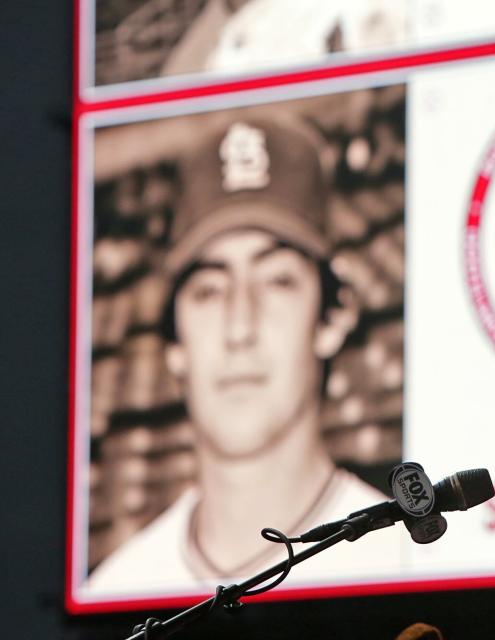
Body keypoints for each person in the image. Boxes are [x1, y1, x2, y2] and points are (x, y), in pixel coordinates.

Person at [87, 117, 404, 595]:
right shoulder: (117, 591)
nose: (239, 328)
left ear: (333, 318)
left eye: (277, 280)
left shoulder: (403, 568)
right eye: (210, 290)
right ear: (174, 344)